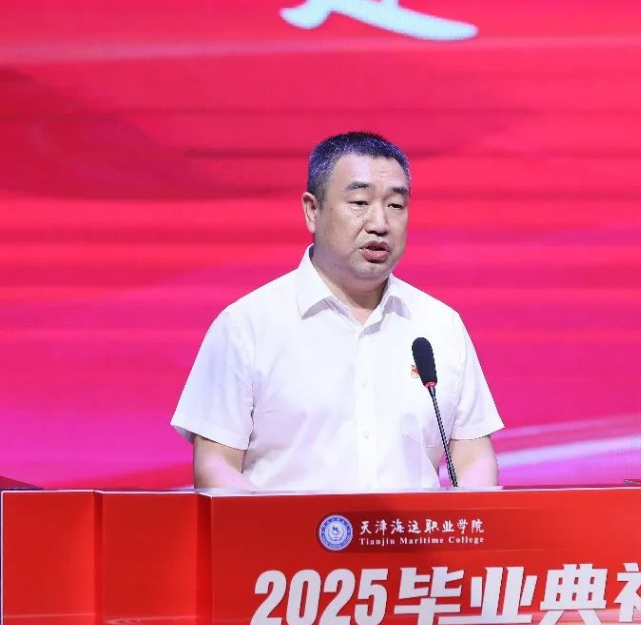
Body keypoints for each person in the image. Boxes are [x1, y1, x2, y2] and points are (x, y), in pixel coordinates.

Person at [171, 131, 503, 491]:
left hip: (410, 530)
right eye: (359, 202)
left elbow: (474, 459)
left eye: (396, 205)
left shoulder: (440, 326)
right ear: (312, 211)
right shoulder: (246, 326)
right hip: (283, 530)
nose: (380, 224)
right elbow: (216, 465)